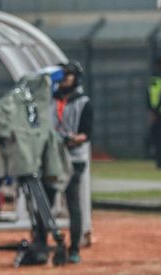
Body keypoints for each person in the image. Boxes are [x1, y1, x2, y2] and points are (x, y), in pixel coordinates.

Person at [53, 61, 93, 264]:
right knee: (44, 200)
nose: (64, 79)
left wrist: (71, 139)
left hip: (74, 159)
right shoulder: (50, 100)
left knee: (73, 203)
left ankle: (75, 246)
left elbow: (86, 134)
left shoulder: (82, 101)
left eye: (68, 75)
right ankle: (43, 241)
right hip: (51, 158)